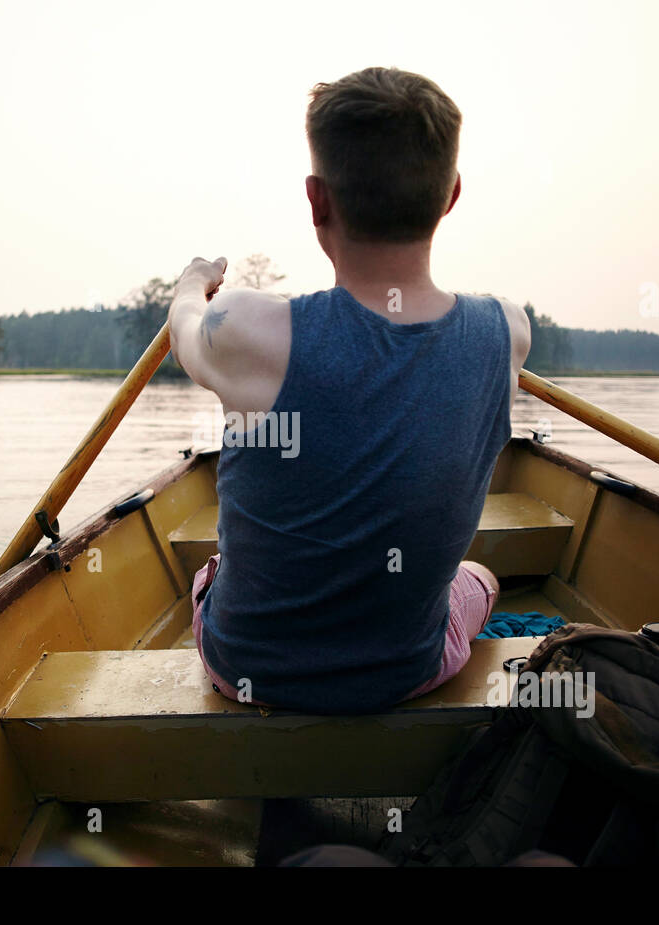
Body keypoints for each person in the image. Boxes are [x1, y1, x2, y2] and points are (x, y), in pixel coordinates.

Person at [167, 67, 531, 714]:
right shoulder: (506, 331)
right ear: (450, 195)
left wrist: (192, 282)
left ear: (317, 199)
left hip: (248, 666)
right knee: (480, 579)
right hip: (408, 670)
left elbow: (185, 328)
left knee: (208, 574)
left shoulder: (247, 327)